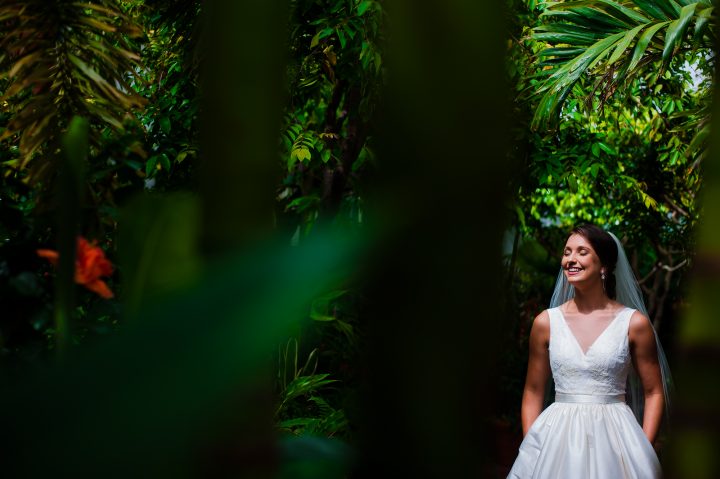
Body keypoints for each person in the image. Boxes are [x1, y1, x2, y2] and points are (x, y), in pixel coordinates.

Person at [507, 224, 670, 479]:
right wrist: (533, 446)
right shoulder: (545, 323)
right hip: (555, 440)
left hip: (617, 441)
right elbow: (533, 390)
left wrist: (643, 449)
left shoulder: (633, 324)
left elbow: (654, 391)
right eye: (567, 252)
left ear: (603, 265)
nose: (571, 259)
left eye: (582, 252)